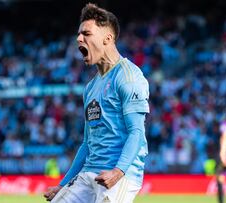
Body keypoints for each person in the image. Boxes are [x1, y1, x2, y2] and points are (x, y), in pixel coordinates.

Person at [44, 3, 149, 203]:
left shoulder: (128, 77)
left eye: (86, 34)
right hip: (88, 172)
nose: (79, 39)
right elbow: (86, 143)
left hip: (120, 174)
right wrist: (63, 185)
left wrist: (118, 172)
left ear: (107, 38)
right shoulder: (90, 88)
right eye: (78, 34)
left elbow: (137, 132)